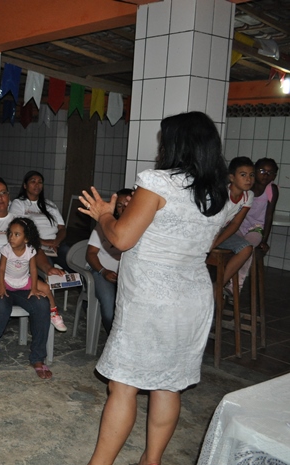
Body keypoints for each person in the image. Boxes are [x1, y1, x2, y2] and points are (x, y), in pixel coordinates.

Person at [78, 111, 228, 465]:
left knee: (123, 385)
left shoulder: (158, 183)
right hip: (192, 298)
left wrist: (103, 214)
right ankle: (152, 460)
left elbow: (122, 238)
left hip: (151, 300)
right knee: (168, 383)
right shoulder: (216, 193)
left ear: (176, 143)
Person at [0, 176, 63, 380]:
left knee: (43, 305)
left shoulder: (20, 223)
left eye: (3, 192)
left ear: (9, 196)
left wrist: (48, 268)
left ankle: (38, 358)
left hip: (24, 282)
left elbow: (36, 251)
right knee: (1, 307)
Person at [0, 216, 66, 332]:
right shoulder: (6, 249)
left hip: (24, 281)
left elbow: (33, 270)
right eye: (10, 234)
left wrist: (33, 288)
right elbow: (1, 269)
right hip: (7, 280)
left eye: (17, 234)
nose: (12, 237)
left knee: (46, 288)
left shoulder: (31, 251)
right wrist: (1, 287)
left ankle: (54, 314)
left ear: (26, 239)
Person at [85, 188, 133, 335]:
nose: (124, 208)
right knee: (109, 309)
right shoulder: (104, 225)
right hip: (101, 271)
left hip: (127, 275)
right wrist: (103, 271)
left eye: (128, 204)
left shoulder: (139, 228)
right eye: (119, 205)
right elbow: (90, 254)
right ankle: (113, 340)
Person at [211, 156, 255, 295]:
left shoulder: (249, 196)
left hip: (222, 231)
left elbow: (235, 224)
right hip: (208, 229)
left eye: (251, 175)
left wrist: (216, 242)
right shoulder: (222, 194)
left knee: (246, 249)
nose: (248, 179)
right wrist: (210, 244)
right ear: (231, 177)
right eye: (243, 175)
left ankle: (218, 287)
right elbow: (214, 222)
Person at [10, 171, 69, 270]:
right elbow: (19, 230)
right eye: (33, 181)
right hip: (33, 245)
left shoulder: (50, 205)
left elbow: (62, 228)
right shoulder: (18, 203)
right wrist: (43, 242)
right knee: (47, 265)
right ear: (25, 185)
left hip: (54, 246)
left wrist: (55, 242)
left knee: (70, 256)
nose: (37, 185)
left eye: (40, 182)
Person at [235, 159, 279, 284]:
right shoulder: (247, 185)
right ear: (254, 171)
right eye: (262, 171)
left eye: (270, 172)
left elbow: (269, 215)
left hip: (257, 228)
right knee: (235, 247)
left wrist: (264, 240)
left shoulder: (272, 189)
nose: (266, 175)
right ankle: (227, 282)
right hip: (239, 225)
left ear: (274, 176)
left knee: (247, 249)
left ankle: (235, 285)